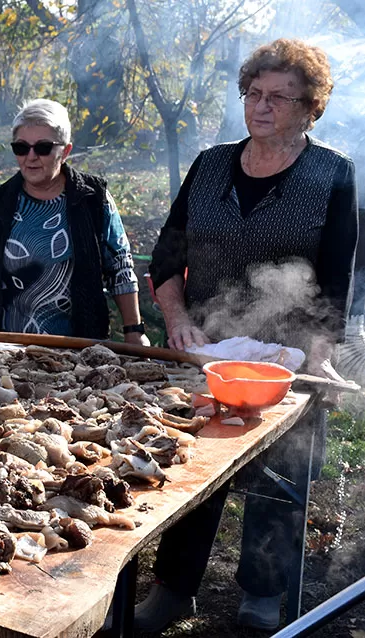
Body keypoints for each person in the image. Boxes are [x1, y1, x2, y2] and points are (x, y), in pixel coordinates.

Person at [138, 38, 357, 632]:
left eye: (278, 98)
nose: (260, 107)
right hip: (207, 350)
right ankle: (174, 587)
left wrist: (319, 358)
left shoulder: (333, 174)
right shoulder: (211, 164)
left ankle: (263, 589)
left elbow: (336, 284)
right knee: (188, 467)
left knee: (281, 476)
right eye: (253, 94)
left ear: (310, 107)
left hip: (284, 358)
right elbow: (165, 256)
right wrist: (179, 318)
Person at [0, 99, 148, 348]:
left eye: (43, 148)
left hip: (78, 350)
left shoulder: (92, 198)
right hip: (0, 349)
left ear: (66, 151)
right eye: (21, 148)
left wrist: (134, 330)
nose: (31, 157)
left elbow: (119, 263)